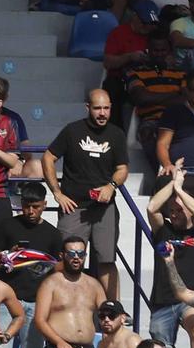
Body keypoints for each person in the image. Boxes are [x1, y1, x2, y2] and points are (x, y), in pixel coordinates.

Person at [40, 90, 129, 280]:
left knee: (107, 261)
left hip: (104, 208)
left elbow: (122, 169)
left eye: (106, 108)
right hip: (74, 207)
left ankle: (114, 309)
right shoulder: (73, 131)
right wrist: (57, 193)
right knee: (64, 260)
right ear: (87, 108)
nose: (102, 113)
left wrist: (111, 186)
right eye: (97, 108)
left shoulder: (117, 134)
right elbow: (48, 157)